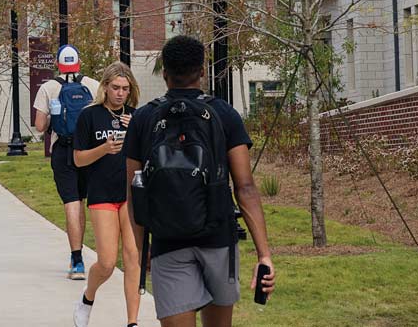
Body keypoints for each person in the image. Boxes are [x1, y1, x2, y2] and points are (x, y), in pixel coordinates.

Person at [125, 35, 275, 327]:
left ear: (164, 72)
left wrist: (140, 251)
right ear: (202, 71)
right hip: (219, 239)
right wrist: (264, 254)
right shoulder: (225, 115)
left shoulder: (143, 119)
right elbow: (245, 187)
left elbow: (135, 191)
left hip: (168, 242)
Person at [71, 62, 141, 327]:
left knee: (133, 256)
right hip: (102, 194)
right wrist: (104, 149)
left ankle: (132, 321)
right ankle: (88, 298)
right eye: (115, 88)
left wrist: (135, 128)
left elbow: (148, 152)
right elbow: (78, 159)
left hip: (131, 194)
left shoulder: (136, 117)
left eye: (125, 88)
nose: (120, 93)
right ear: (105, 87)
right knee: (108, 262)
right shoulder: (90, 116)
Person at [32, 46, 102, 279]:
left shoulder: (49, 87)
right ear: (78, 63)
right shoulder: (93, 85)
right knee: (89, 202)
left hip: (63, 150)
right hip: (89, 150)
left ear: (58, 64)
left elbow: (40, 126)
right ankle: (101, 255)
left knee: (72, 203)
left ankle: (77, 260)